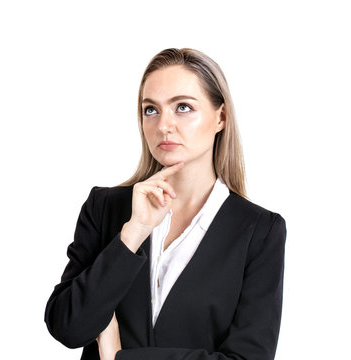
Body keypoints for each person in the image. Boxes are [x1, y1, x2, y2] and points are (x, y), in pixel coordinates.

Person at [44, 48, 287, 360]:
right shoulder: (105, 208)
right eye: (150, 110)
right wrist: (132, 234)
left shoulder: (259, 231)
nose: (163, 125)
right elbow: (68, 328)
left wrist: (120, 358)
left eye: (183, 107)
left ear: (221, 117)